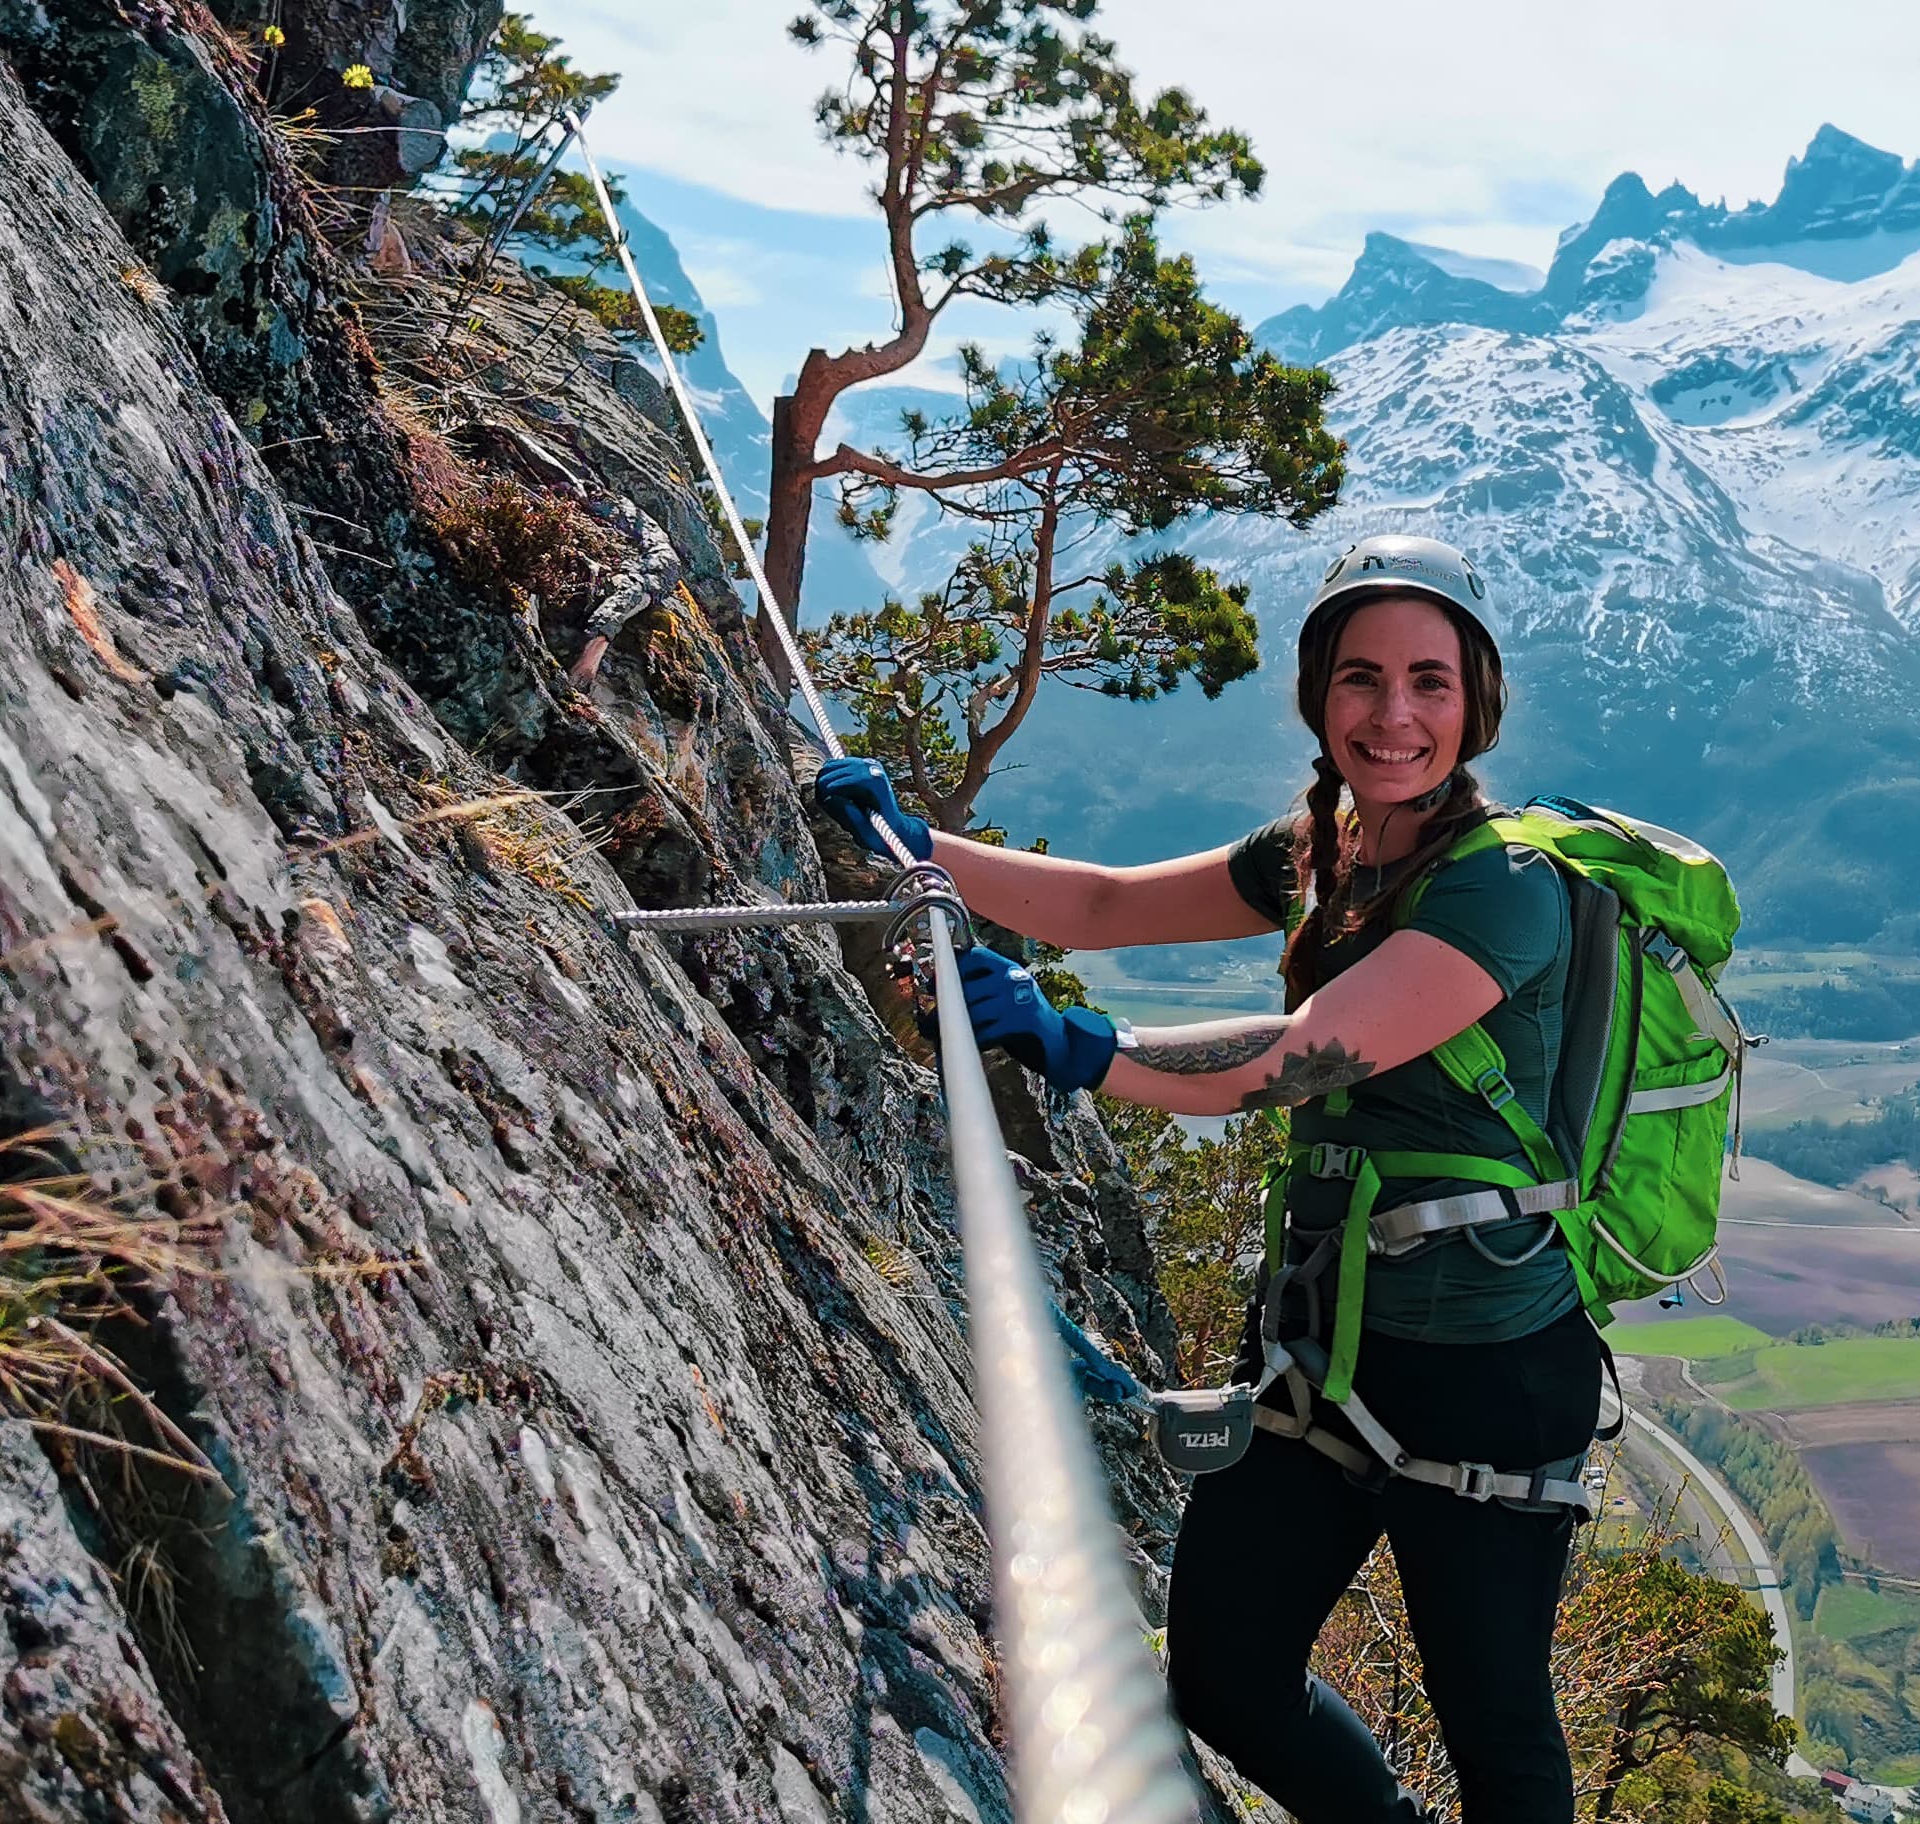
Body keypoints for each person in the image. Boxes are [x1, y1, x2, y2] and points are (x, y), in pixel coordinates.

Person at [810, 534, 1599, 1823]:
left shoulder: (1503, 886)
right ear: (1316, 695)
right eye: (1359, 678)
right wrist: (917, 840)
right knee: (1224, 1675)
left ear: (1477, 701)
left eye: (1429, 682)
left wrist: (1079, 1047)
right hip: (1326, 1344)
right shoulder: (1324, 849)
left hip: (1489, 1374)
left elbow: (1295, 1062)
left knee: (1498, 1735)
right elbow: (1111, 906)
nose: (1392, 714)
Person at [565, 487, 686, 691]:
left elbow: (645, 583)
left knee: (646, 582)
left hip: (648, 566)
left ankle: (592, 650)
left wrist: (596, 648)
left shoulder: (656, 548)